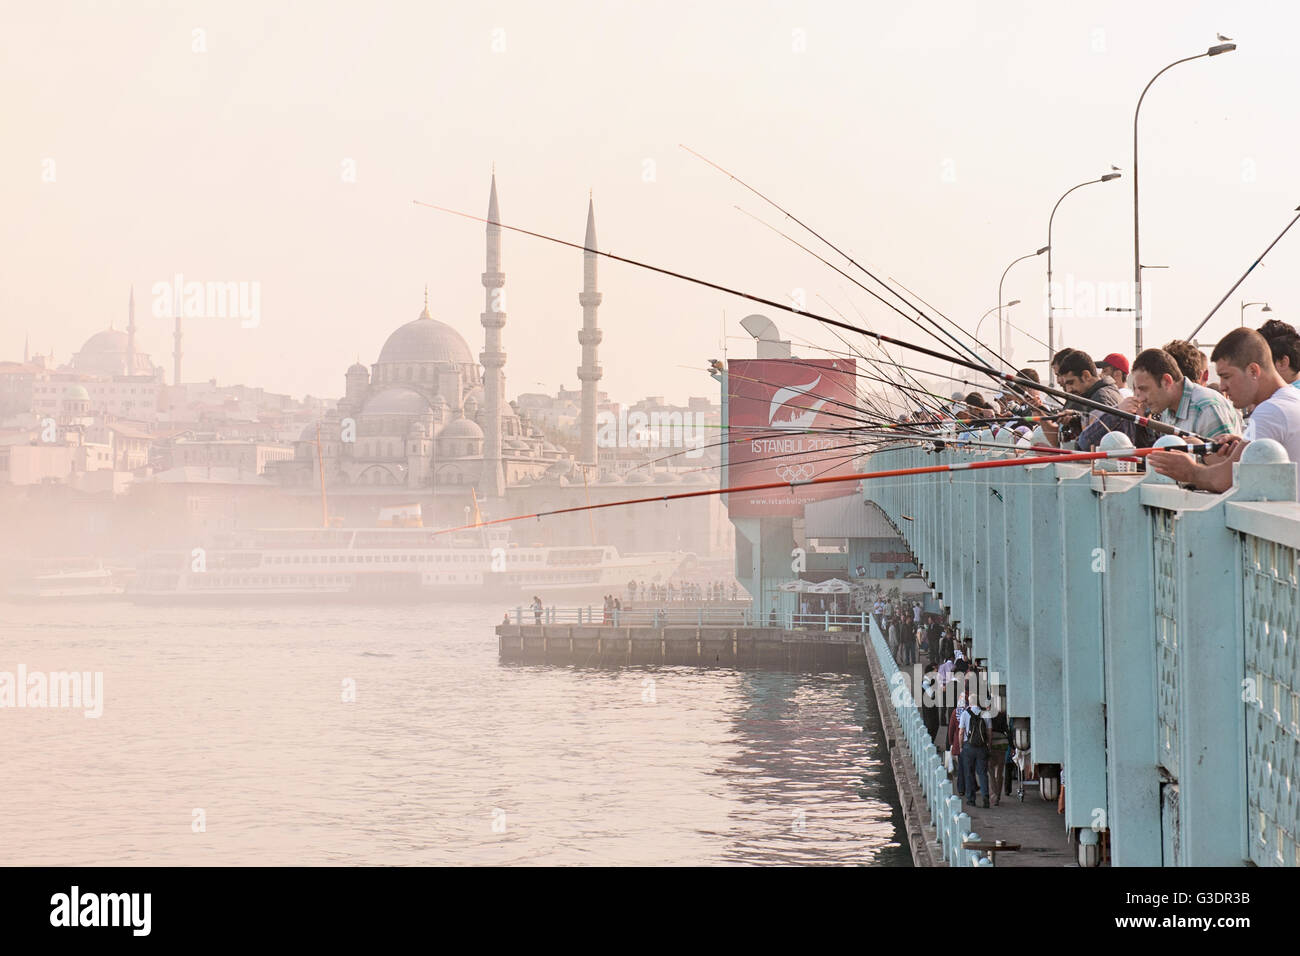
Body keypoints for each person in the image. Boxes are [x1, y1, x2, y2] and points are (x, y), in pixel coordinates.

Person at [1149, 328, 1300, 493]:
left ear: (1253, 371)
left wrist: (1190, 471)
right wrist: (1243, 444)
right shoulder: (1292, 398)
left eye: (1226, 376)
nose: (1222, 386)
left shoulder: (1270, 411)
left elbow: (1225, 480)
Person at [1121, 348, 1241, 445]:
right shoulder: (1167, 408)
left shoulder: (1207, 408)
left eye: (1145, 389)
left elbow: (1228, 466)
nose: (1141, 398)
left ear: (1166, 381)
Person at [1042, 350, 1125, 450]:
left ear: (1086, 376)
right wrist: (1076, 420)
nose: (1069, 389)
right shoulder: (1100, 393)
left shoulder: (1101, 398)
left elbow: (1096, 442)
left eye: (1071, 382)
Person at [958, 700, 992, 808]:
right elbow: (989, 732)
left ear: (970, 703)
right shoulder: (986, 714)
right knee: (982, 773)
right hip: (982, 747)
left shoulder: (965, 714)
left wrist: (960, 746)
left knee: (969, 772)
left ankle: (971, 799)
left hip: (969, 746)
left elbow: (961, 732)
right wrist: (989, 745)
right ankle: (985, 796)